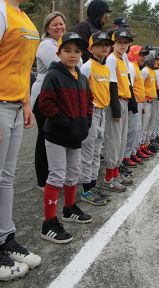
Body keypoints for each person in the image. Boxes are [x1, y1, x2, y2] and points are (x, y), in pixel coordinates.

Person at [0, 0, 52, 280]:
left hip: (15, 106)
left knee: (5, 179)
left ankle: (5, 238)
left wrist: (25, 102)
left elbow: (22, 67)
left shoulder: (23, 16)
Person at [39, 32, 93, 244]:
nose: (73, 55)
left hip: (76, 135)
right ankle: (49, 223)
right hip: (57, 135)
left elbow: (89, 102)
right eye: (67, 50)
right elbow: (46, 104)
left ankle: (69, 209)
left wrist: (85, 122)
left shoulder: (81, 77)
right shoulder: (54, 75)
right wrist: (68, 123)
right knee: (57, 175)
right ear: (58, 52)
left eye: (77, 51)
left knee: (73, 174)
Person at [31, 11, 66, 191]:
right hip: (43, 96)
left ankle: (54, 176)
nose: (59, 27)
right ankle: (42, 180)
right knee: (45, 136)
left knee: (55, 136)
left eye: (61, 24)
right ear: (47, 28)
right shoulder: (46, 45)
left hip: (57, 96)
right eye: (55, 24)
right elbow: (63, 66)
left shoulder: (62, 45)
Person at [80, 31, 113, 205]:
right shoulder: (87, 66)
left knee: (96, 151)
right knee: (88, 151)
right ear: (91, 48)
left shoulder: (105, 67)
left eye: (107, 45)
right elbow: (80, 91)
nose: (105, 48)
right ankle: (86, 189)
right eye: (100, 45)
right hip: (91, 113)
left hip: (103, 112)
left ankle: (92, 185)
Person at [103, 30, 136, 192]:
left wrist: (131, 104)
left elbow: (127, 83)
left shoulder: (124, 59)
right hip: (115, 103)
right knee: (113, 141)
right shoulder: (111, 59)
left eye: (126, 42)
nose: (123, 45)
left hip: (124, 101)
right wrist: (116, 110)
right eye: (120, 42)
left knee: (121, 141)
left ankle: (115, 173)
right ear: (113, 43)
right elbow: (111, 85)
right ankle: (108, 178)